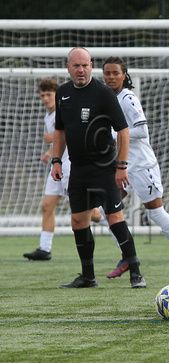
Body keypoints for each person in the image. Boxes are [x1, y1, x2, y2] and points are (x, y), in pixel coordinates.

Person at [51, 47, 146, 289]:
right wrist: (56, 160)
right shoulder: (62, 93)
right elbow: (60, 130)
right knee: (78, 222)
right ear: (68, 68)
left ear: (91, 66)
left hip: (104, 167)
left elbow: (123, 130)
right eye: (76, 66)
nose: (81, 70)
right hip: (78, 169)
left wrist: (121, 166)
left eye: (85, 65)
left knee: (115, 218)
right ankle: (88, 277)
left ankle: (136, 272)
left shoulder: (103, 93)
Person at [101, 56, 169, 280]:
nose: (111, 77)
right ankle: (127, 256)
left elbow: (142, 131)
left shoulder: (128, 98)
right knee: (108, 209)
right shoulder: (108, 99)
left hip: (142, 167)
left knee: (155, 212)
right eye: (107, 73)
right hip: (122, 166)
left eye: (116, 73)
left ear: (124, 76)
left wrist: (111, 135)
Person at [23, 78, 109, 261]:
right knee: (47, 206)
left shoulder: (63, 113)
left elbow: (71, 137)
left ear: (57, 95)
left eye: (49, 95)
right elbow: (60, 142)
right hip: (57, 166)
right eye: (43, 95)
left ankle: (114, 225)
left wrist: (52, 141)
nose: (46, 98)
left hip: (70, 166)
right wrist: (50, 152)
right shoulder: (49, 116)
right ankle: (44, 249)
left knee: (88, 212)